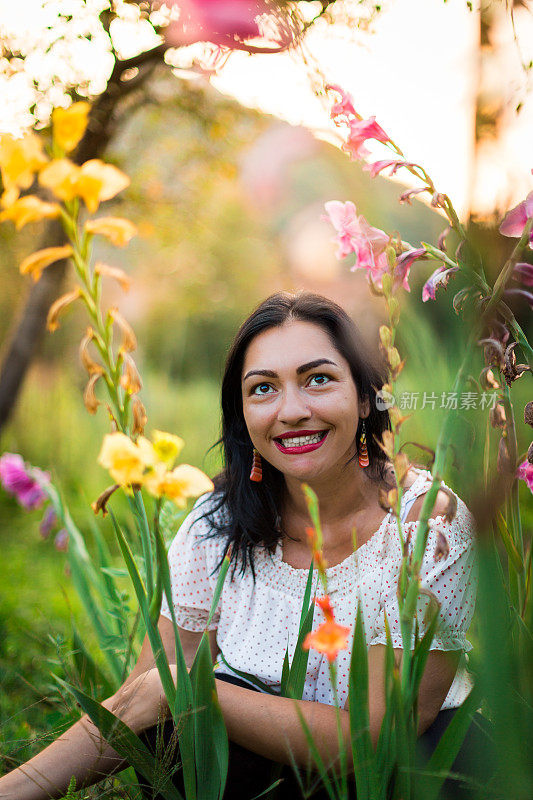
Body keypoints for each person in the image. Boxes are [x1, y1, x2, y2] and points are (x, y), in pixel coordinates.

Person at [0, 291, 482, 800]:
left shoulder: (428, 527)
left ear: (365, 398)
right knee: (171, 737)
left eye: (318, 379)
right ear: (243, 412)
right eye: (263, 388)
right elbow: (141, 703)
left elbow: (376, 736)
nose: (291, 411)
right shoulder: (216, 525)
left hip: (399, 780)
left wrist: (197, 693)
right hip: (261, 780)